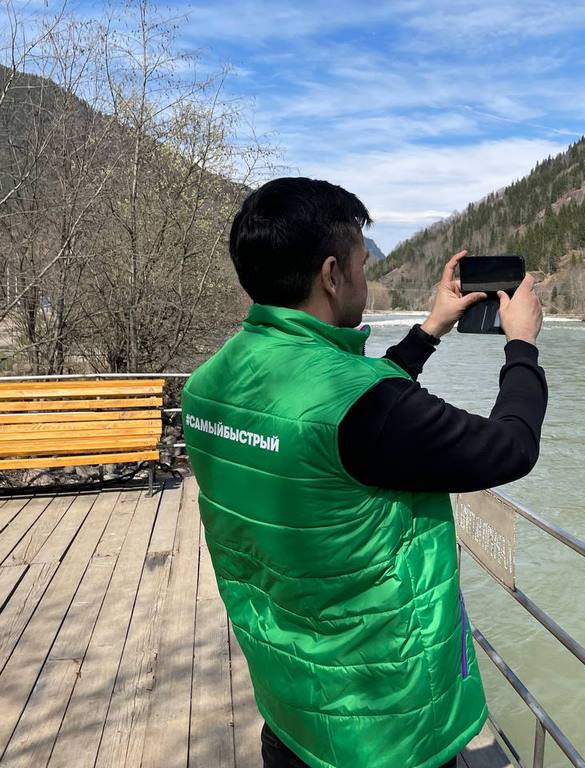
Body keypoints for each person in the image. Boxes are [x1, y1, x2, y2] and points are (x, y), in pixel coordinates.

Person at [181, 177, 547, 768]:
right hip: (383, 726)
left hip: (291, 701)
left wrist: (429, 330)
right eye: (361, 264)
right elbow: (510, 448)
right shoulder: (361, 405)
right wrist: (523, 345)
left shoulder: (208, 386)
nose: (364, 278)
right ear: (332, 274)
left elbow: (354, 420)